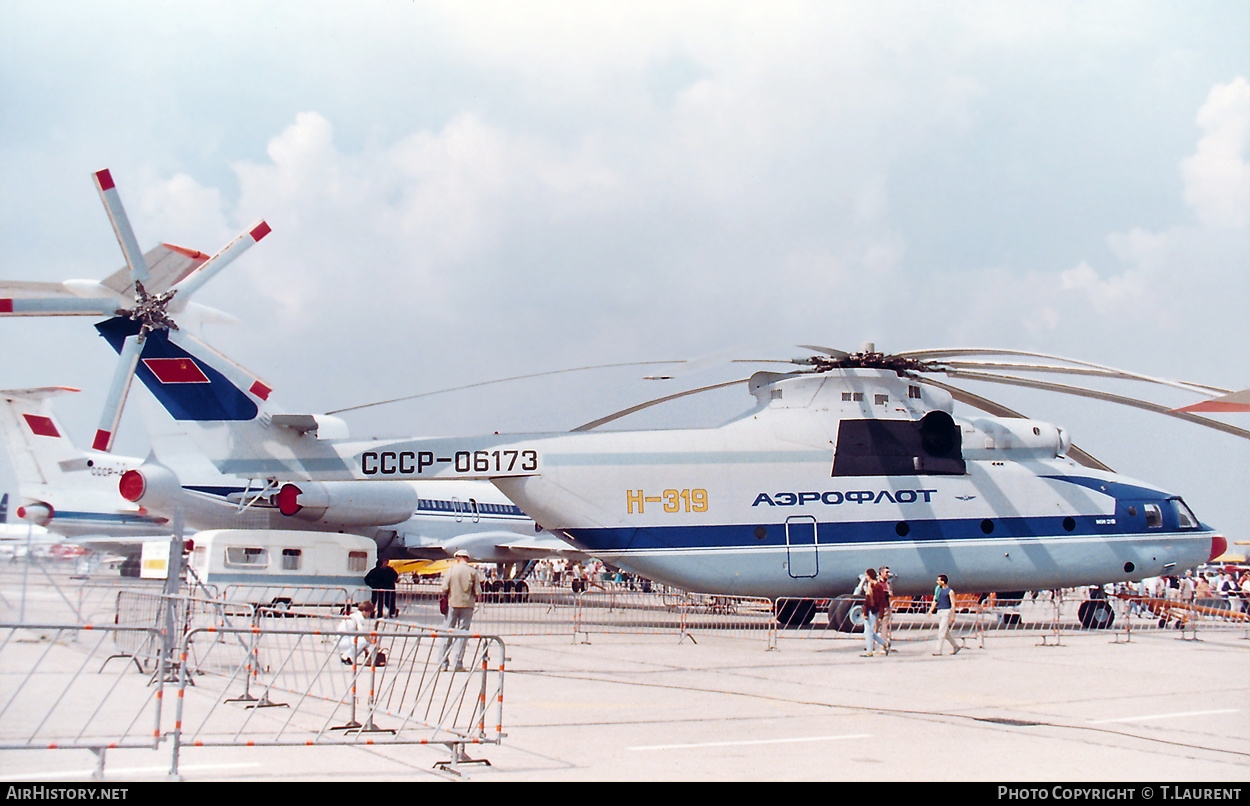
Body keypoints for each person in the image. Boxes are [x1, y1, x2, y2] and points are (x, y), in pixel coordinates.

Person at [438, 550, 482, 671]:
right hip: (467, 605)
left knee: (448, 632)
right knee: (462, 634)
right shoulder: (473, 572)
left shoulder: (451, 570)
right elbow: (478, 592)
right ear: (467, 559)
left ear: (457, 558)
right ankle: (457, 663)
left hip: (452, 604)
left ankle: (443, 663)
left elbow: (443, 588)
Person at [928, 574, 962, 656]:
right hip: (940, 611)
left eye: (938, 580)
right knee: (945, 632)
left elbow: (953, 604)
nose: (937, 582)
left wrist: (953, 616)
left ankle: (938, 650)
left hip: (946, 612)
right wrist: (930, 610)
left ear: (943, 582)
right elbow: (935, 600)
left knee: (941, 632)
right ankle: (956, 646)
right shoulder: (938, 590)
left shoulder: (950, 591)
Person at [337, 601, 378, 665]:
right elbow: (362, 632)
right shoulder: (358, 617)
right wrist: (373, 642)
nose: (369, 615)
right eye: (369, 613)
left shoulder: (355, 615)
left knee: (365, 643)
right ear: (364, 611)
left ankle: (352, 657)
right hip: (342, 640)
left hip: (344, 638)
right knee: (363, 641)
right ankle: (345, 657)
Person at [861, 568, 889, 657]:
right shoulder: (878, 586)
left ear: (869, 576)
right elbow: (881, 601)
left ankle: (869, 651)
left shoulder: (872, 586)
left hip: (870, 611)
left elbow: (868, 601)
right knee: (869, 631)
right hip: (875, 611)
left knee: (868, 632)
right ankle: (885, 644)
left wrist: (865, 613)